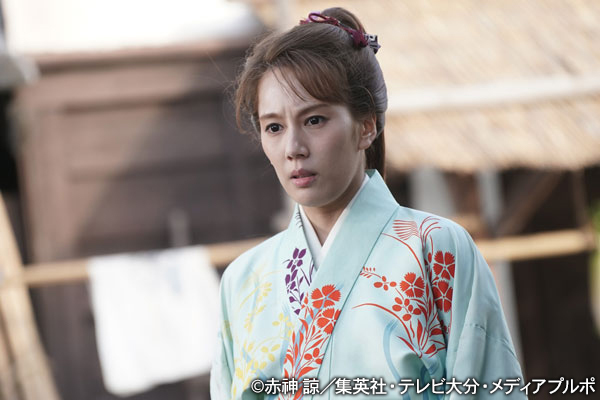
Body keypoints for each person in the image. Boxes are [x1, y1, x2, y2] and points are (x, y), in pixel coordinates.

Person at [211, 7, 525, 399]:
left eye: (314, 120)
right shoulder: (243, 281)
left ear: (366, 126)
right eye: (273, 127)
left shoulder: (436, 249)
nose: (293, 148)